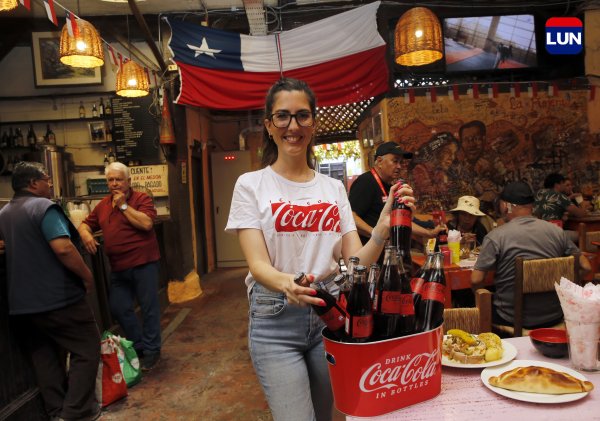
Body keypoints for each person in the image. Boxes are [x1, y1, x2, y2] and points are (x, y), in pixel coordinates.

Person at [225, 78, 415, 421]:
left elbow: (355, 261)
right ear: (269, 125)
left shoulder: (333, 188)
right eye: (282, 117)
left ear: (313, 123)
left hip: (330, 314)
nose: (292, 126)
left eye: (302, 116)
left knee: (330, 415)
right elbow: (257, 264)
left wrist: (382, 232)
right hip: (275, 320)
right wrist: (288, 284)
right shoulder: (250, 185)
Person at [0, 161, 101, 421]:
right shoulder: (43, 207)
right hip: (58, 298)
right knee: (87, 349)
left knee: (43, 354)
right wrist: (86, 275)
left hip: (22, 303)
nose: (51, 183)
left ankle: (56, 411)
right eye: (46, 178)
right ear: (33, 183)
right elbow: (63, 248)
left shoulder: (5, 212)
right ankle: (75, 413)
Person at [472, 181, 590, 330]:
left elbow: (476, 279)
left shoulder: (496, 236)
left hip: (511, 318)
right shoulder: (556, 231)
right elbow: (585, 266)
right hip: (555, 316)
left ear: (505, 206)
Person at [78, 162, 162, 371]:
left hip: (144, 264)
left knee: (149, 308)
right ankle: (140, 346)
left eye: (118, 179)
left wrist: (124, 206)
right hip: (118, 268)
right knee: (119, 307)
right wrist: (86, 234)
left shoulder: (141, 199)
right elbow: (84, 224)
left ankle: (152, 351)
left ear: (128, 181)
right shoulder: (103, 205)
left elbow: (146, 224)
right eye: (110, 180)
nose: (114, 183)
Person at [349, 141, 443, 246]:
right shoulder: (366, 181)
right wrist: (376, 235)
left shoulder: (391, 187)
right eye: (395, 161)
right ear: (379, 161)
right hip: (369, 253)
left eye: (401, 162)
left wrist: (429, 233)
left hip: (387, 251)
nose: (399, 166)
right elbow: (351, 217)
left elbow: (401, 220)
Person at [533, 173, 589, 241]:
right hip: (553, 235)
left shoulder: (539, 193)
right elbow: (581, 214)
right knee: (583, 235)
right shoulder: (558, 196)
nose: (564, 186)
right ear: (557, 185)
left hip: (537, 234)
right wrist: (582, 202)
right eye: (563, 183)